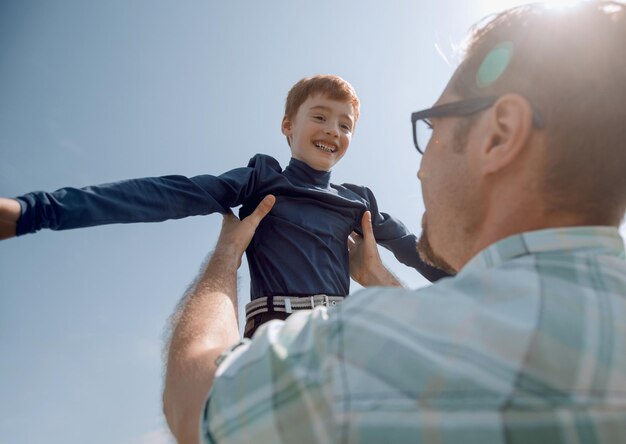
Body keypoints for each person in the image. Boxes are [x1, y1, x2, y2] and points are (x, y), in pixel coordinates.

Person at [163, 2, 626, 443]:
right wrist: (379, 277)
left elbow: (194, 406)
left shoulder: (351, 361)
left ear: (498, 136)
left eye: (431, 127)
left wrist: (225, 258)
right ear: (287, 125)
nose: (421, 169)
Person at [0, 75, 448, 337]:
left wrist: (486, 275)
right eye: (320, 116)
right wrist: (34, 212)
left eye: (345, 124)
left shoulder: (359, 201)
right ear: (288, 125)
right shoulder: (261, 178)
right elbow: (170, 194)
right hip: (275, 335)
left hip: (347, 332)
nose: (333, 130)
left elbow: (419, 251)